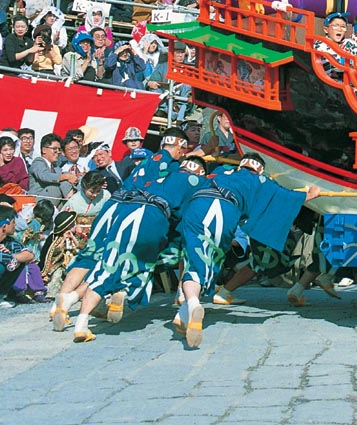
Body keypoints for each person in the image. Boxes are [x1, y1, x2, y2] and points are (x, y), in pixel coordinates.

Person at [50, 127, 194, 340]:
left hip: (114, 207)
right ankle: (113, 294)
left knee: (92, 255)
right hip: (140, 210)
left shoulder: (143, 161)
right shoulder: (168, 164)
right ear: (180, 145)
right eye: (185, 148)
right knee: (122, 258)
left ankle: (63, 302)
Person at [173, 153, 321, 348]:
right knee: (210, 261)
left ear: (241, 165)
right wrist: (310, 193)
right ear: (260, 168)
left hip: (199, 205)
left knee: (195, 259)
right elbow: (285, 197)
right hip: (227, 211)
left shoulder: (221, 172)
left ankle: (187, 308)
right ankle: (190, 306)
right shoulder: (260, 180)